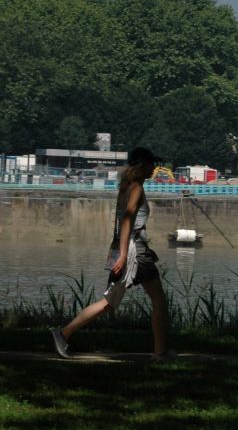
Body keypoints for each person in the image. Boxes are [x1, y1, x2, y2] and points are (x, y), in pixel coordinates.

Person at [51, 147, 172, 360]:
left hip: (122, 248)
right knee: (159, 300)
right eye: (152, 163)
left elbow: (122, 223)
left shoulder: (124, 188)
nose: (155, 168)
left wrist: (120, 253)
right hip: (135, 251)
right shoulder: (136, 189)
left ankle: (64, 333)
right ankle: (160, 352)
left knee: (109, 302)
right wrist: (125, 255)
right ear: (142, 164)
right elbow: (126, 220)